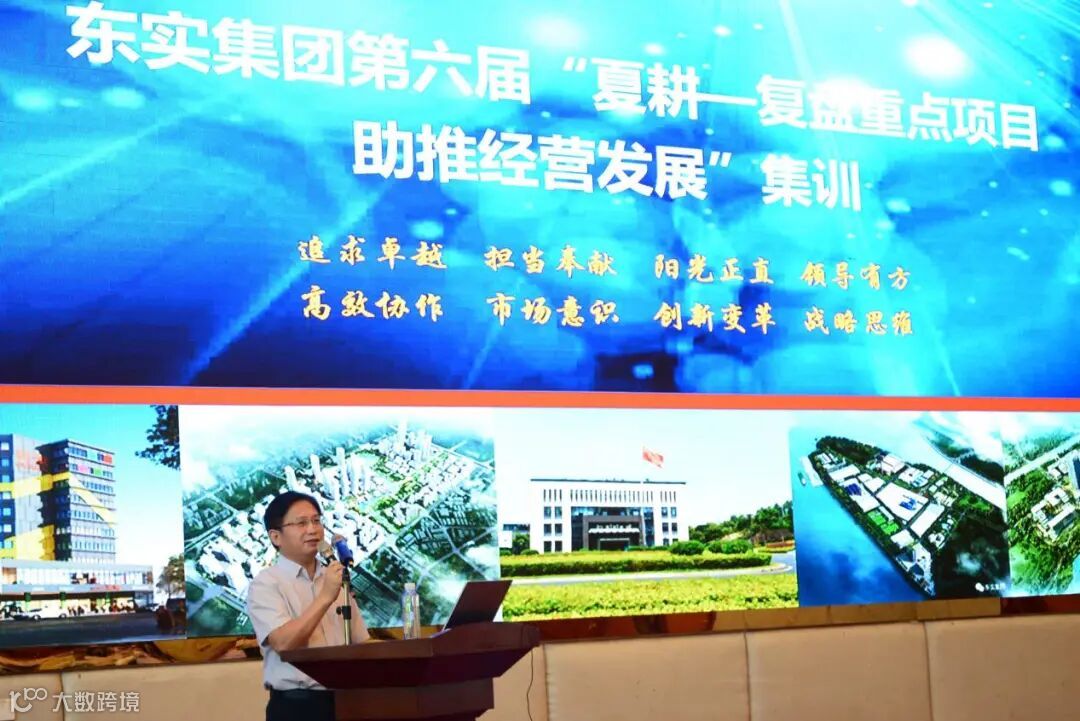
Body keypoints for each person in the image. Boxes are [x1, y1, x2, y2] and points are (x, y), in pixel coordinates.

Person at [247, 491, 369, 721]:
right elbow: (283, 643)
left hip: (348, 701)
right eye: (301, 523)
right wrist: (325, 597)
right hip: (298, 707)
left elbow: (361, 642)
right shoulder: (266, 584)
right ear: (276, 537)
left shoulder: (334, 576)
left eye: (316, 520)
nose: (313, 529)